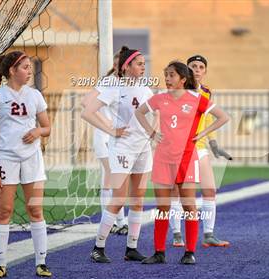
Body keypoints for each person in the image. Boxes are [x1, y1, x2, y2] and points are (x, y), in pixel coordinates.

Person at [135, 61, 229, 264]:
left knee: (189, 207)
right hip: (163, 158)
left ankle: (189, 252)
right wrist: (152, 133)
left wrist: (202, 133)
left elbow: (223, 117)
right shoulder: (159, 98)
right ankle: (159, 252)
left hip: (187, 158)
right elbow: (139, 112)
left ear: (183, 79)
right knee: (162, 208)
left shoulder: (197, 98)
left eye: (171, 75)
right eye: (165, 74)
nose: (167, 79)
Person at [0, 51, 52, 278]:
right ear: (12, 71)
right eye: (24, 67)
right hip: (5, 159)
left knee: (35, 209)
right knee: (5, 211)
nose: (29, 70)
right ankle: (0, 264)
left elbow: (47, 127)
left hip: (31, 159)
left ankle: (41, 262)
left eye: (30, 66)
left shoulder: (35, 96)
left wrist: (37, 131)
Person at [81, 46, 154, 263]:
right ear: (126, 66)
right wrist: (111, 130)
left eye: (143, 63)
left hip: (143, 148)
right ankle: (98, 247)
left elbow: (156, 112)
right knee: (119, 197)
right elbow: (87, 111)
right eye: (139, 63)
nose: (143, 67)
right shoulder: (114, 87)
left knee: (138, 200)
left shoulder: (145, 88)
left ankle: (131, 247)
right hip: (122, 148)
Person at [169, 55, 231, 248]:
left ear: (205, 71)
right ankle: (177, 234)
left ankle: (209, 235)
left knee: (210, 189)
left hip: (200, 147)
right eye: (193, 66)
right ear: (186, 70)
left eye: (201, 66)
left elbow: (208, 118)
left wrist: (212, 142)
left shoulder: (205, 92)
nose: (197, 69)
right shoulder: (175, 91)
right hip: (179, 149)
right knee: (177, 193)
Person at [94, 52, 128, 235]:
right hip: (104, 136)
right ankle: (117, 221)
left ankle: (118, 221)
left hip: (119, 138)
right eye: (116, 64)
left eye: (121, 64)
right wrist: (107, 125)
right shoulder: (106, 83)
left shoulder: (128, 86)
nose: (118, 67)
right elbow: (90, 107)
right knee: (112, 178)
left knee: (115, 179)